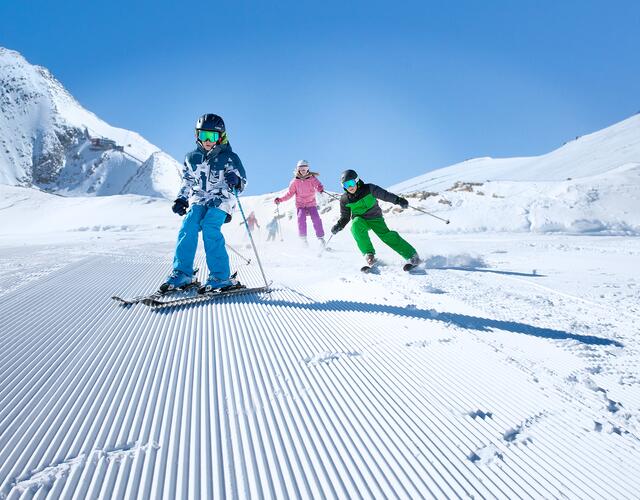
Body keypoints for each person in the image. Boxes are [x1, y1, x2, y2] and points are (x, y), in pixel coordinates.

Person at [160, 113, 247, 293]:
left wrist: (236, 180)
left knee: (209, 227)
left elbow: (242, 183)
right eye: (203, 135)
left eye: (212, 136)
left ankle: (220, 276)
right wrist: (181, 198)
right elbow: (187, 181)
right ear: (197, 135)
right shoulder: (191, 158)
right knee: (188, 225)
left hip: (222, 199)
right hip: (200, 198)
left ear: (220, 136)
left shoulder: (230, 157)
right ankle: (183, 273)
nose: (207, 141)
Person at [330, 169, 420, 268]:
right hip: (360, 219)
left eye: (351, 183)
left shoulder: (369, 188)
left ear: (356, 180)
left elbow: (385, 195)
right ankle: (369, 255)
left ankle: (412, 256)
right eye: (346, 185)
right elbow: (345, 216)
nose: (350, 187)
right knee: (355, 225)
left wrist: (398, 200)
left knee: (386, 236)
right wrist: (339, 225)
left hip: (375, 218)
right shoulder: (345, 199)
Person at [274, 160, 325, 245]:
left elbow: (318, 185)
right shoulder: (294, 182)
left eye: (304, 168)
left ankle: (321, 239)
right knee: (301, 218)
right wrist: (280, 199)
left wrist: (320, 188)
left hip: (311, 203)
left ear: (307, 169)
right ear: (298, 170)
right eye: (301, 168)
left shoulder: (312, 179)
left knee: (316, 219)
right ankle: (303, 240)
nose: (303, 170)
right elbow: (289, 194)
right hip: (300, 205)